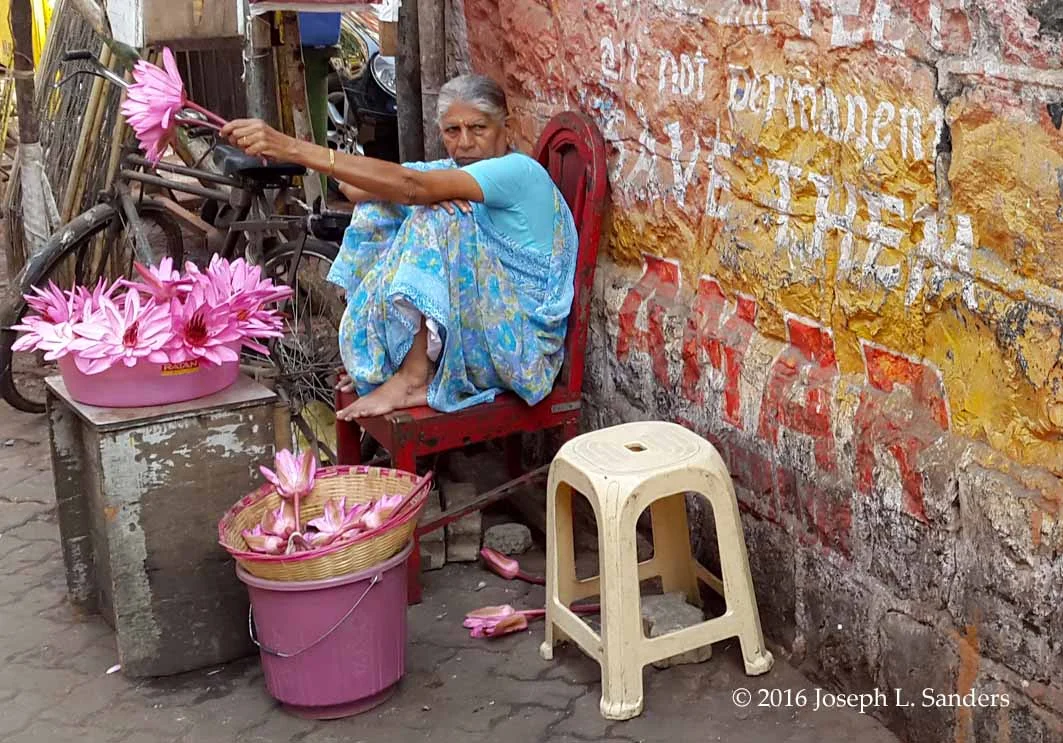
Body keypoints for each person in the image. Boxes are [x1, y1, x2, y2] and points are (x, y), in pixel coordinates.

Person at [220, 74, 579, 420]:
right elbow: (355, 189)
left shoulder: (517, 171)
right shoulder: (456, 168)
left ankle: (411, 377)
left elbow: (412, 187)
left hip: (521, 350)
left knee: (434, 216)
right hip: (478, 336)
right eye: (453, 131)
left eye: (479, 128)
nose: (465, 142)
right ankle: (383, 353)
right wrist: (415, 191)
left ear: (507, 126)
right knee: (382, 205)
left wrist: (290, 148)